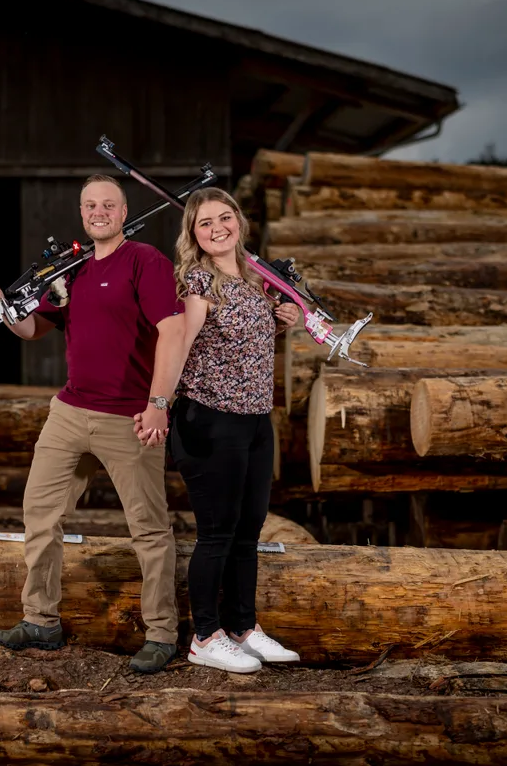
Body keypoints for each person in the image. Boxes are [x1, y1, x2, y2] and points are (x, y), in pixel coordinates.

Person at [0, 173, 187, 675]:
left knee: (149, 530)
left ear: (122, 210)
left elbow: (174, 331)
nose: (99, 212)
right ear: (82, 212)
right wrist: (3, 306)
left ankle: (161, 634)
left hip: (129, 416)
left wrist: (160, 402)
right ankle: (41, 621)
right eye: (90, 205)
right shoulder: (70, 268)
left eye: (108, 205)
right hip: (69, 413)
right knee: (40, 516)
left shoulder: (146, 262)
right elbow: (33, 328)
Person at [155, 186, 301, 673]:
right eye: (205, 223)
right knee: (217, 533)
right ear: (193, 234)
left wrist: (285, 320)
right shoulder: (199, 282)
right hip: (210, 421)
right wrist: (158, 403)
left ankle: (242, 627)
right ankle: (205, 635)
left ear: (239, 221)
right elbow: (177, 343)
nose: (217, 228)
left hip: (256, 421)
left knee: (248, 530)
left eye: (224, 218)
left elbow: (243, 343)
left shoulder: (254, 278)